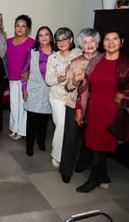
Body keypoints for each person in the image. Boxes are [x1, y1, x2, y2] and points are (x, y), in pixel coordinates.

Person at [75, 29, 129, 193]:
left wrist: (124, 95)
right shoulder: (96, 60)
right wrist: (79, 109)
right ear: (102, 43)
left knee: (98, 146)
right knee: (97, 145)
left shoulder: (128, 64)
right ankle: (103, 176)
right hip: (94, 109)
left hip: (111, 111)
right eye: (107, 39)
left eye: (115, 39)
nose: (111, 42)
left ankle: (93, 180)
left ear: (122, 42)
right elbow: (84, 87)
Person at [59, 28, 100, 183]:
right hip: (73, 104)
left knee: (90, 137)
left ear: (97, 43)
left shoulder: (104, 60)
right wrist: (76, 80)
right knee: (71, 138)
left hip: (96, 105)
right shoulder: (75, 62)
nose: (89, 45)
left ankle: (83, 163)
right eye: (85, 42)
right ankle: (66, 170)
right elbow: (67, 87)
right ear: (80, 45)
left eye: (92, 41)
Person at [45, 27, 81, 167]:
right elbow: (49, 80)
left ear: (71, 40)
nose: (61, 42)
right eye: (58, 40)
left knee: (70, 127)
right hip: (57, 95)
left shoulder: (79, 54)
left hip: (74, 95)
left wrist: (66, 76)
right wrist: (65, 77)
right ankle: (58, 153)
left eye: (64, 39)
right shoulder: (53, 57)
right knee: (60, 124)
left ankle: (62, 154)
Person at [22, 26, 54, 156]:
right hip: (33, 90)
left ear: (51, 37)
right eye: (41, 35)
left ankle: (41, 142)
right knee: (32, 120)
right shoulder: (32, 52)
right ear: (38, 38)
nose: (44, 37)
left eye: (46, 34)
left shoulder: (57, 53)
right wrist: (24, 89)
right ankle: (29, 146)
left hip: (49, 91)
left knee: (44, 120)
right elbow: (24, 72)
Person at [5, 14, 35, 140]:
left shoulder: (32, 43)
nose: (20, 28)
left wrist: (29, 73)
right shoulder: (8, 42)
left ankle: (22, 131)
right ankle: (14, 128)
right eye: (18, 25)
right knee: (13, 105)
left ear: (27, 28)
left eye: (23, 26)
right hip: (12, 78)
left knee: (23, 105)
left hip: (25, 79)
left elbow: (36, 61)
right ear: (14, 27)